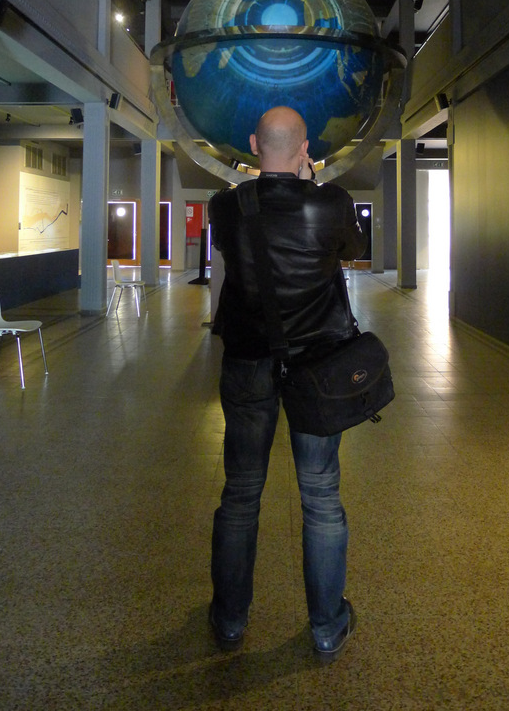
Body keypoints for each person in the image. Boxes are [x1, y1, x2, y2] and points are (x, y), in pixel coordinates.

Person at [208, 106, 367, 663]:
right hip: (316, 369)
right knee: (321, 497)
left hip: (247, 362)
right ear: (305, 149)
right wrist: (311, 182)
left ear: (254, 144)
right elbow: (352, 250)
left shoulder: (225, 206)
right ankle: (326, 626)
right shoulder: (332, 203)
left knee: (240, 494)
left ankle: (230, 620)